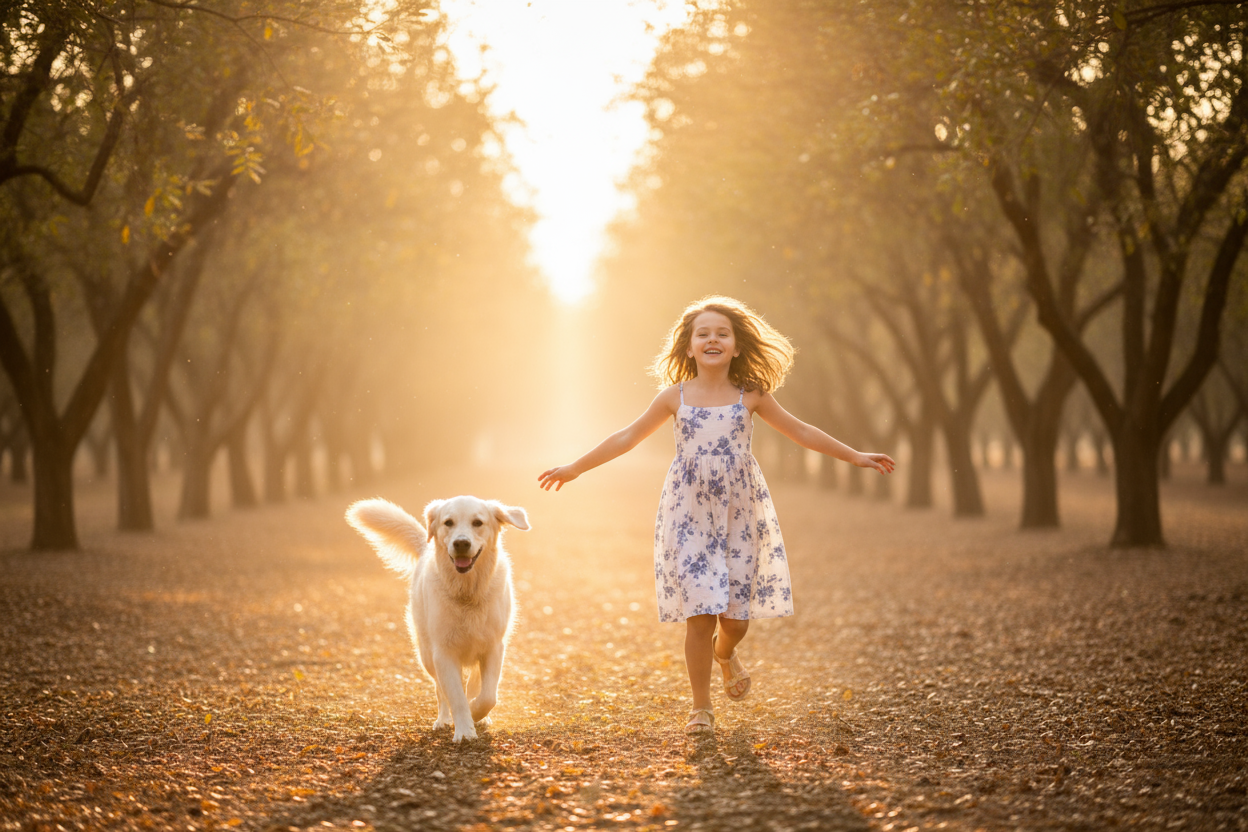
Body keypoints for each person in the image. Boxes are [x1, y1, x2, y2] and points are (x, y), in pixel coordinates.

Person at [538, 296, 895, 734]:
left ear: (736, 346)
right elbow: (627, 436)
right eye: (702, 333)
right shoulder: (675, 397)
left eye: (721, 333)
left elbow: (801, 430)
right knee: (700, 614)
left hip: (739, 514)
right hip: (688, 515)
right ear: (688, 347)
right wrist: (575, 467)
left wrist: (854, 455)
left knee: (735, 620)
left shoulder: (751, 394)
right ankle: (701, 709)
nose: (712, 339)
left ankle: (725, 654)